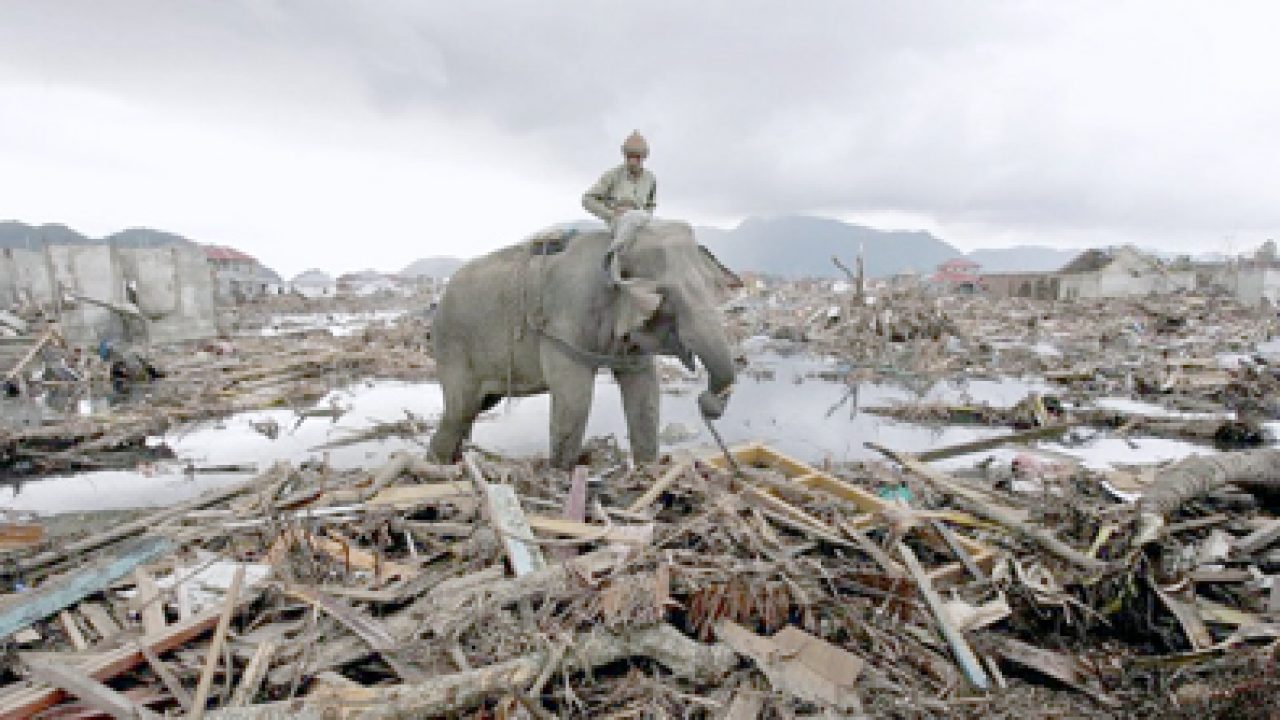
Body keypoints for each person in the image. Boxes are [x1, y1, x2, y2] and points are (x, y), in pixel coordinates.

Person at [583, 131, 657, 228]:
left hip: (642, 222)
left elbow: (650, 205)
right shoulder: (613, 175)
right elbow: (587, 199)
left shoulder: (650, 179)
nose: (633, 161)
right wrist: (611, 214)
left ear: (644, 157)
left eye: (637, 157)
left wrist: (647, 216)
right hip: (619, 223)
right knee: (629, 224)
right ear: (625, 156)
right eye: (630, 156)